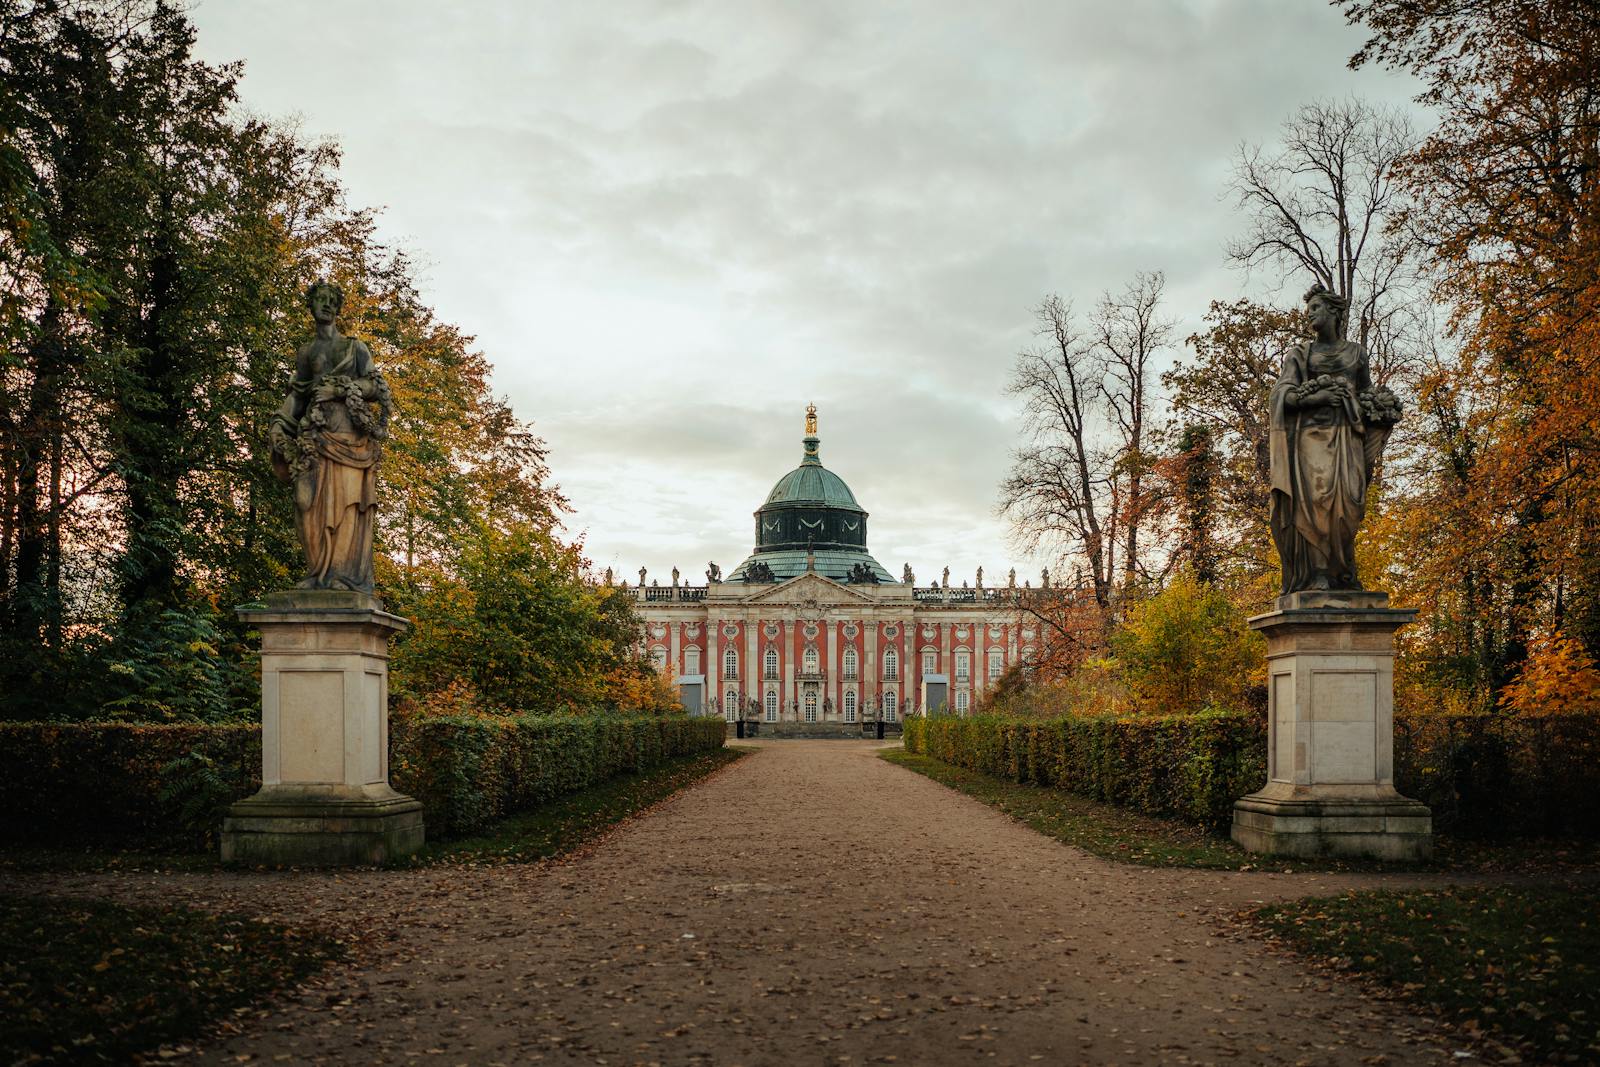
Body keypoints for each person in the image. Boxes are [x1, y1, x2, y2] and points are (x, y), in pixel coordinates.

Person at [1269, 283, 1399, 594]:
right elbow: (1282, 395)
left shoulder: (1356, 353)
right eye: (1308, 309)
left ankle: (1343, 572)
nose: (1309, 314)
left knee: (1348, 506)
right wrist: (1316, 397)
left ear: (1335, 312)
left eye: (1316, 308)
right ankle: (1319, 574)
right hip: (1311, 440)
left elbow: (1365, 391)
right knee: (1316, 507)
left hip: (1348, 437)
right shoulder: (1300, 354)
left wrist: (1382, 406)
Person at [270, 281, 391, 592]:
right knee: (304, 502)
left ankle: (339, 575)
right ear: (311, 306)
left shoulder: (354, 348)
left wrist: (340, 389)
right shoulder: (307, 352)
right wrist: (279, 424)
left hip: (350, 439)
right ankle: (317, 573)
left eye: (330, 301)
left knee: (347, 505)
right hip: (314, 438)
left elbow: (376, 387)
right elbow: (297, 396)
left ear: (338, 308)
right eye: (319, 300)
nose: (325, 305)